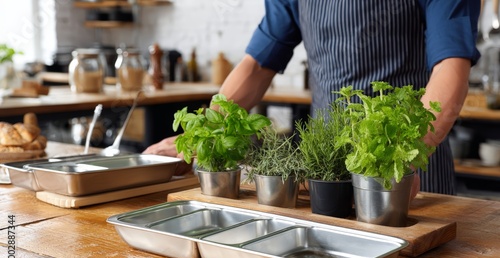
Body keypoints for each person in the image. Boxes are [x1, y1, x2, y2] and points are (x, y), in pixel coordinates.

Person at [144, 0, 480, 198]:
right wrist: (202, 133)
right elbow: (259, 63)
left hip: (408, 172)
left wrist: (399, 158)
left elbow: (451, 65)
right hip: (325, 168)